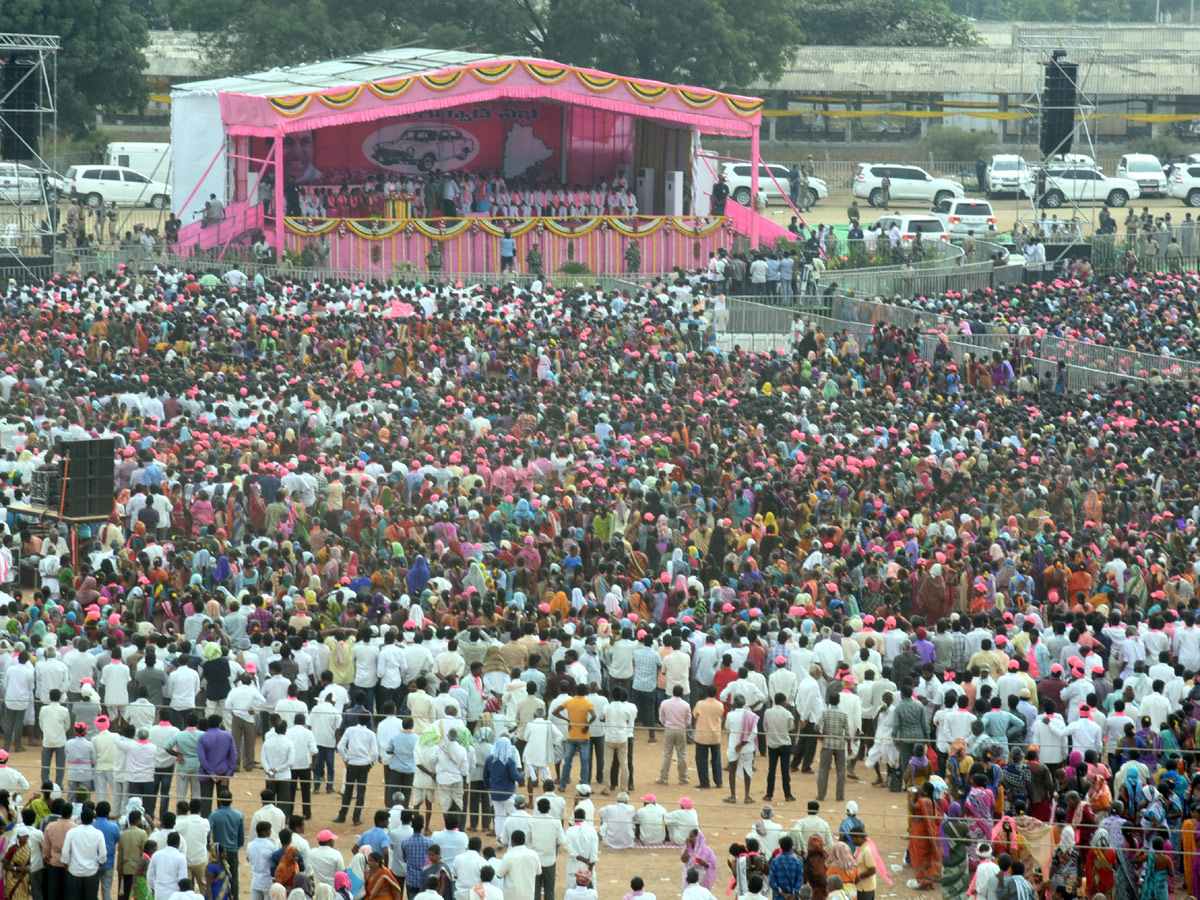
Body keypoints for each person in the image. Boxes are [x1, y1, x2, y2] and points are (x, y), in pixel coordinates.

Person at [908, 781, 942, 890]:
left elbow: (913, 808)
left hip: (920, 832)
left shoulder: (924, 801)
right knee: (926, 858)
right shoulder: (931, 801)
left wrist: (910, 797)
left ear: (925, 791)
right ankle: (928, 881)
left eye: (922, 788)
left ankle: (923, 881)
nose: (920, 789)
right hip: (923, 832)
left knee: (920, 858)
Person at [679, 829, 717, 895]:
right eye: (689, 836)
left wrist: (704, 863)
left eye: (692, 837)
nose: (690, 838)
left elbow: (713, 864)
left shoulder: (707, 850)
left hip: (701, 878)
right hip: (689, 876)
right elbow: (684, 860)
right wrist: (687, 847)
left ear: (698, 838)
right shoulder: (687, 848)